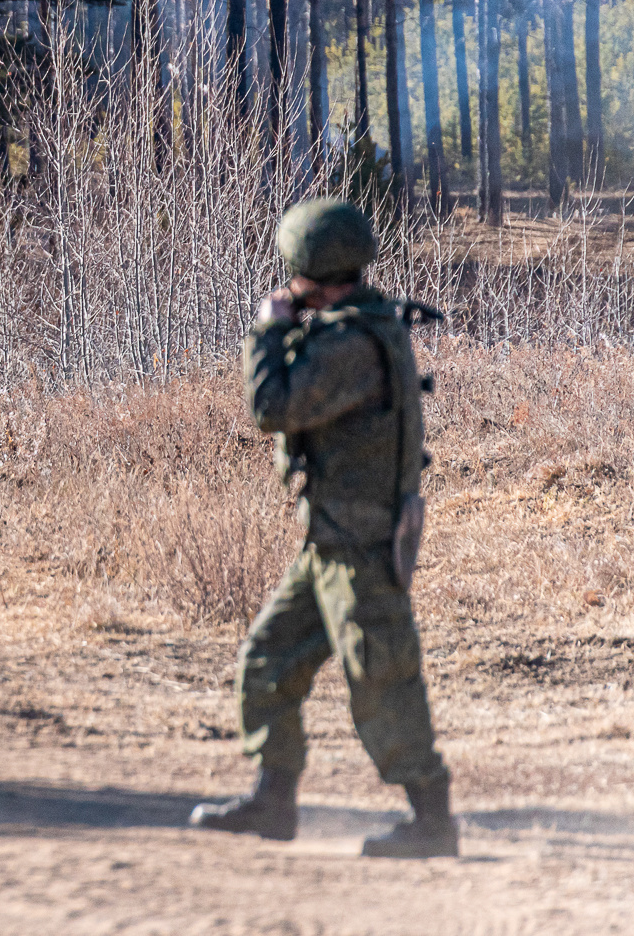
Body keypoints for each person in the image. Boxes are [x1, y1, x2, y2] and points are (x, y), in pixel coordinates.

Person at [190, 197, 457, 859]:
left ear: (313, 267)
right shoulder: (353, 325)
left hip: (359, 545)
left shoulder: (348, 343)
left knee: (381, 678)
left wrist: (268, 330)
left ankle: (432, 820)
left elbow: (272, 407)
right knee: (268, 660)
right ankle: (272, 802)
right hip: (331, 540)